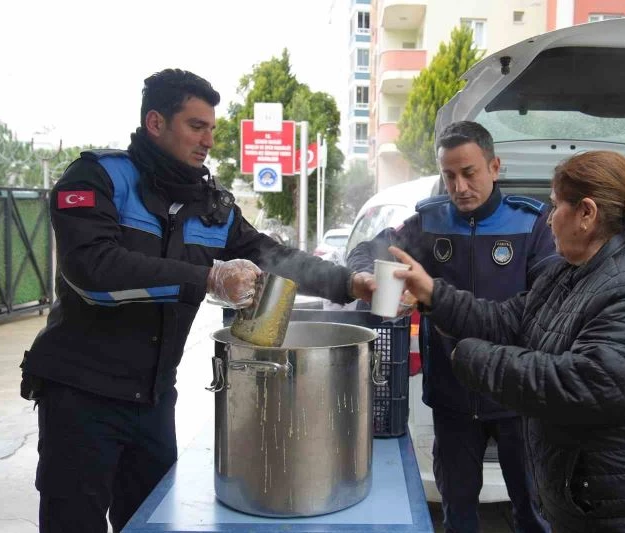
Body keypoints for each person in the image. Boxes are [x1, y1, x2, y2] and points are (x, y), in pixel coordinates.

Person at [20, 68, 374, 533]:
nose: (208, 139)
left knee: (151, 521)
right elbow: (93, 272)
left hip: (152, 402)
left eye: (212, 127)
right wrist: (207, 278)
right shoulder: (98, 178)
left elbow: (272, 255)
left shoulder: (213, 206)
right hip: (81, 398)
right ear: (155, 123)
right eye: (196, 126)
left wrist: (349, 284)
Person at [390, 150, 625, 532]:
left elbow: (587, 385)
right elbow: (506, 319)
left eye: (554, 206)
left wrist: (471, 357)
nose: (549, 219)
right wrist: (432, 293)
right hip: (594, 503)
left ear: (586, 213)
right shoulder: (568, 272)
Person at [347, 121, 557, 533]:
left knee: (534, 512)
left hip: (520, 396)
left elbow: (546, 305)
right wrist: (369, 280)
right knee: (458, 513)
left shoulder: (531, 224)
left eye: (470, 172)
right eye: (449, 175)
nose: (459, 186)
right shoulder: (428, 222)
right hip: (452, 397)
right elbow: (367, 251)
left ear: (494, 166)